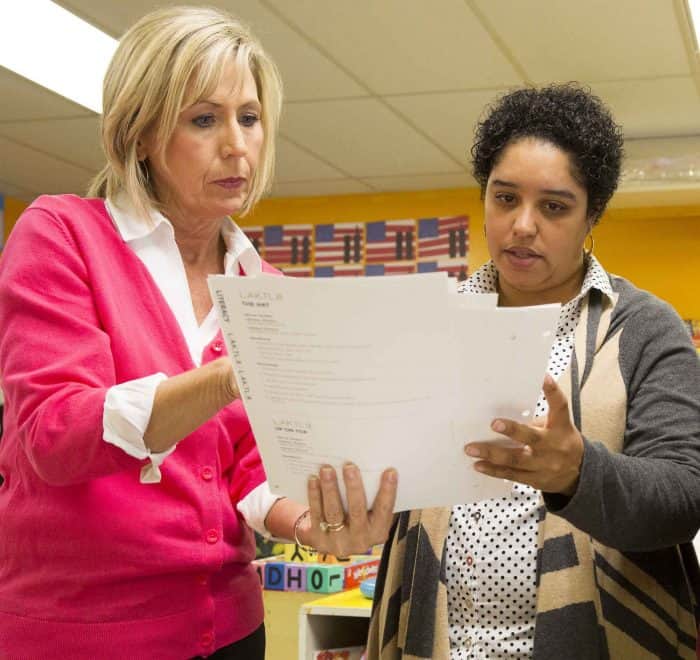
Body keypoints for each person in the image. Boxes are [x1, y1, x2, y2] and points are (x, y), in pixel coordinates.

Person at [0, 7, 396, 659]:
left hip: (232, 630)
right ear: (142, 132)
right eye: (204, 119)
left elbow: (246, 466)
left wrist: (316, 522)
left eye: (249, 116)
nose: (237, 144)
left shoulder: (264, 286)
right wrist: (232, 373)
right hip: (83, 636)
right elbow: (56, 435)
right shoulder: (61, 235)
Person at [367, 84, 700, 659]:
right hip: (442, 640)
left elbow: (684, 495)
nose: (522, 225)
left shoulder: (645, 327)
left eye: (553, 206)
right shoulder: (430, 322)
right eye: (504, 199)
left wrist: (578, 473)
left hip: (594, 641)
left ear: (591, 214)